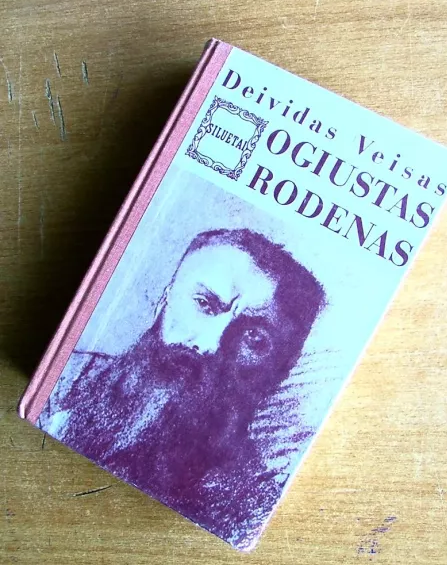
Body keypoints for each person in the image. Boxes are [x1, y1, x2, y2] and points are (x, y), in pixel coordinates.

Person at [39, 228, 325, 546]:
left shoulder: (250, 502)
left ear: (279, 371)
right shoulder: (63, 381)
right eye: (204, 304)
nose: (211, 344)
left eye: (254, 338)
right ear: (165, 299)